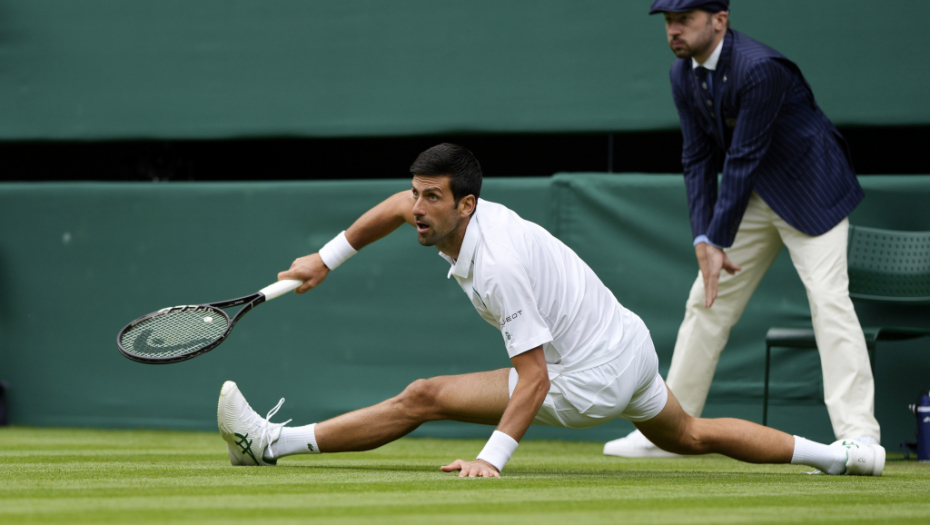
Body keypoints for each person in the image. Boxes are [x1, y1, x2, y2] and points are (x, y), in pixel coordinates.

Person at [217, 143, 883, 477]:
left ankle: (269, 444)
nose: (417, 208)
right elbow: (392, 208)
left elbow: (533, 379)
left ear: (466, 204)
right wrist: (322, 260)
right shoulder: (440, 212)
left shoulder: (498, 264)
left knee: (424, 395)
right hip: (628, 345)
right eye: (417, 192)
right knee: (695, 434)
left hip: (588, 374)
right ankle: (845, 457)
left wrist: (493, 457)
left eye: (432, 198)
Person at [604, 0, 880, 458]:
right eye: (669, 22)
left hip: (813, 192)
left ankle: (860, 435)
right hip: (757, 197)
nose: (673, 30)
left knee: (828, 300)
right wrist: (703, 239)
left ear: (720, 20)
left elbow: (743, 156)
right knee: (706, 301)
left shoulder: (760, 69)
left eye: (684, 20)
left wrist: (717, 236)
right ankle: (668, 429)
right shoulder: (682, 74)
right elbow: (696, 158)